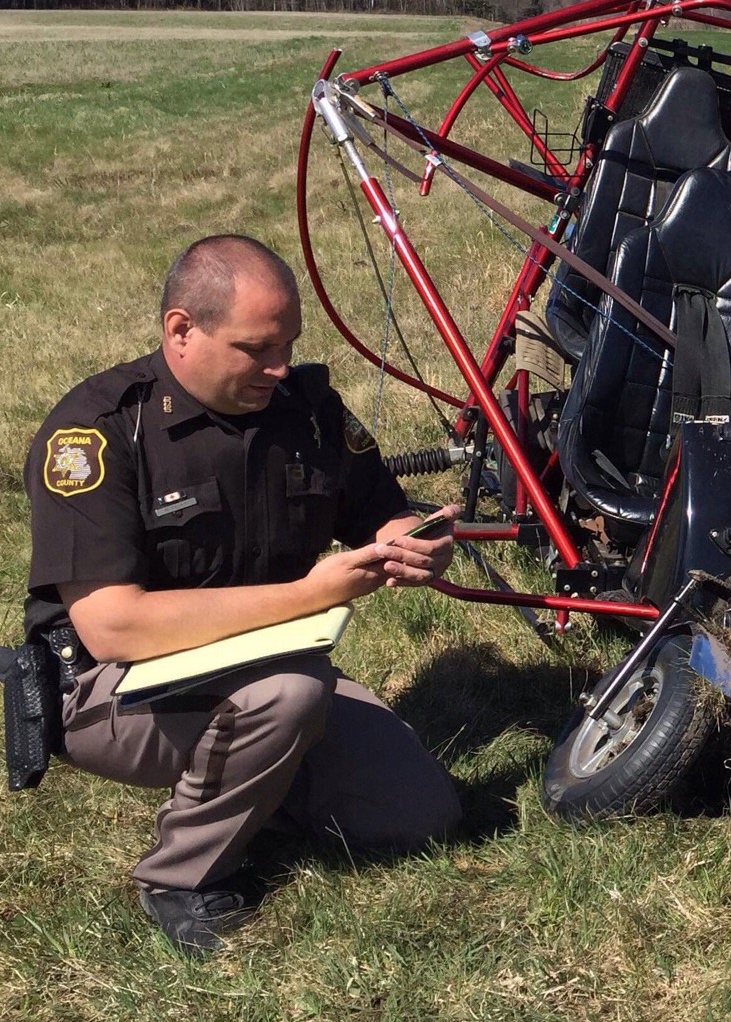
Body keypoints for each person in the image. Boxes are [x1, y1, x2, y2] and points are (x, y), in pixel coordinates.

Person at [23, 234, 463, 955]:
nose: (279, 365)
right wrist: (307, 594)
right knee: (289, 696)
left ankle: (257, 783)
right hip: (111, 688)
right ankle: (180, 875)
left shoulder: (307, 411)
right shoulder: (98, 430)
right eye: (256, 347)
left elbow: (381, 505)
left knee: (417, 815)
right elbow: (113, 626)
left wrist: (414, 535)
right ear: (180, 330)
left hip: (264, 659)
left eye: (288, 342)